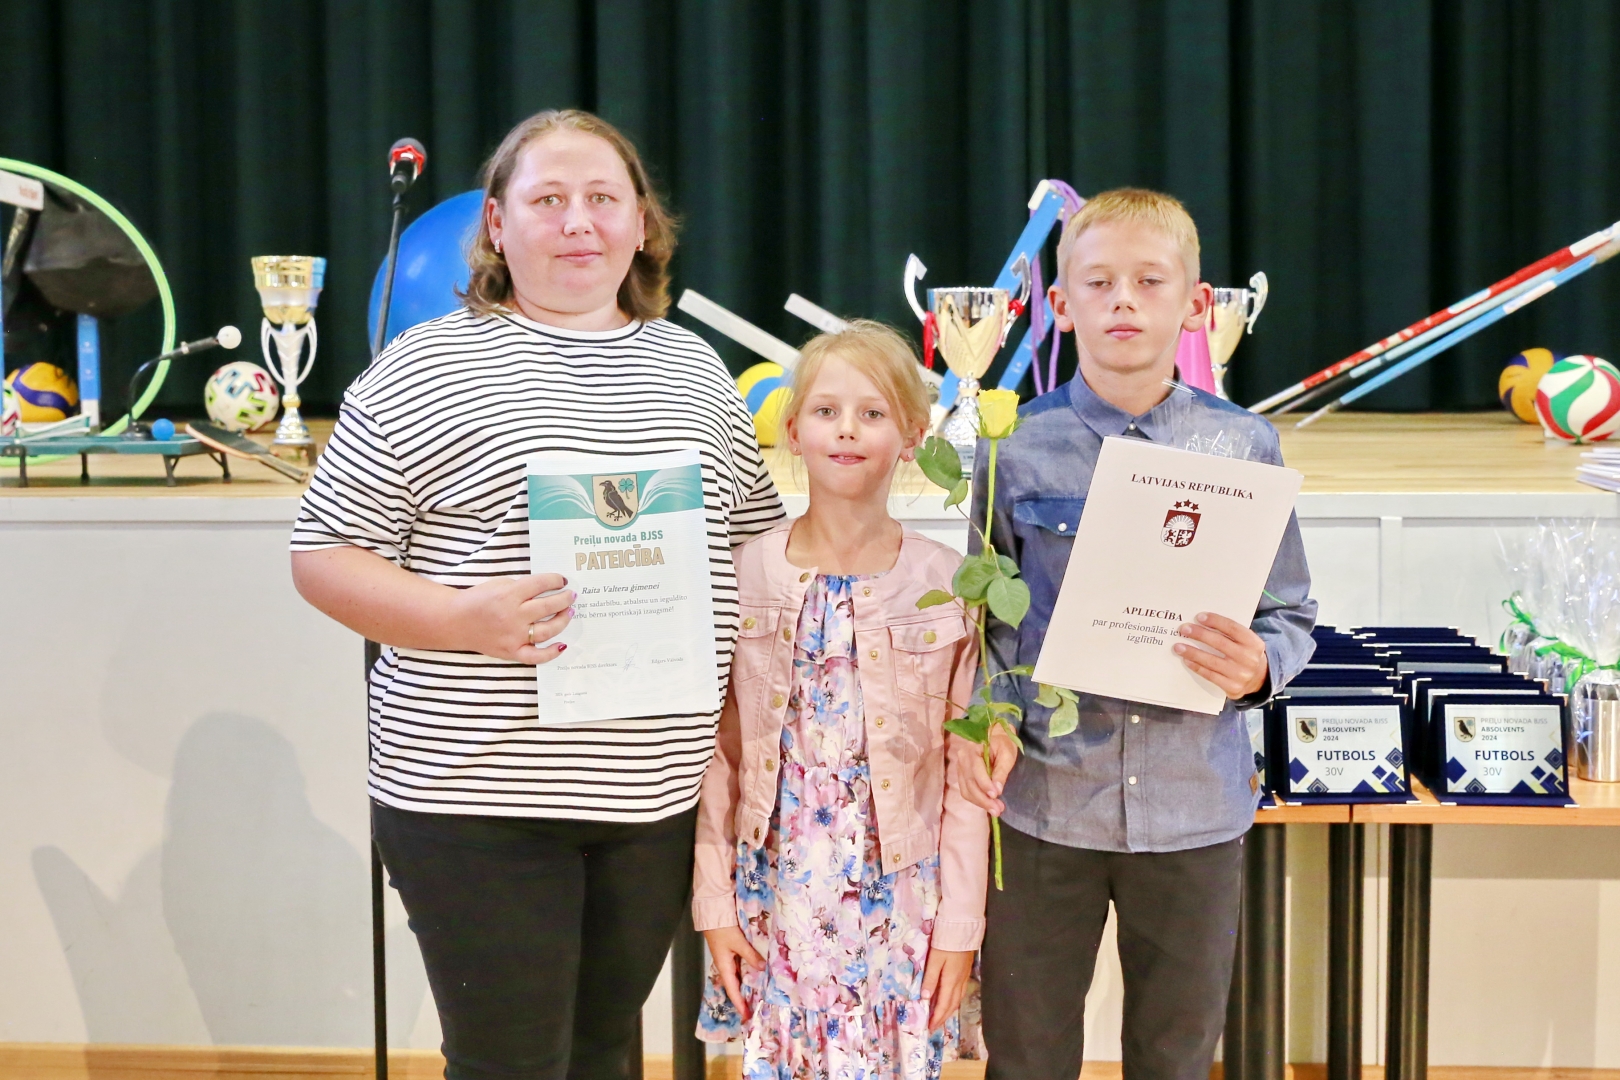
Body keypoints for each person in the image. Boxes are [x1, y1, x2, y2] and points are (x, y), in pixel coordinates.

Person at [289, 109, 784, 1080]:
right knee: (510, 1063)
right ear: (496, 224)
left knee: (602, 1054)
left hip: (653, 796)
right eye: (547, 199)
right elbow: (323, 555)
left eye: (602, 198)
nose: (578, 222)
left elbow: (754, 545)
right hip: (476, 796)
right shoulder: (423, 366)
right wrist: (458, 619)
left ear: (641, 222)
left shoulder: (693, 369)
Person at [953, 188, 1317, 1080]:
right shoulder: (1013, 446)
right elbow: (985, 621)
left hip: (1196, 808)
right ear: (1059, 304)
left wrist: (1260, 665)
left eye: (1150, 281)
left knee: (1176, 1055)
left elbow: (1291, 613)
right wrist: (990, 718)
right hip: (1047, 804)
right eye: (1099, 282)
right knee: (1026, 1053)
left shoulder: (1245, 447)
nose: (1123, 300)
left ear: (1195, 304)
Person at [692, 321, 989, 1079]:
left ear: (914, 436)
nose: (847, 429)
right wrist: (715, 905)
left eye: (873, 412)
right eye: (826, 411)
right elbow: (716, 759)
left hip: (903, 896)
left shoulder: (949, 584)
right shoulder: (742, 574)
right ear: (792, 430)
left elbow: (966, 777)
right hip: (776, 891)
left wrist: (961, 924)